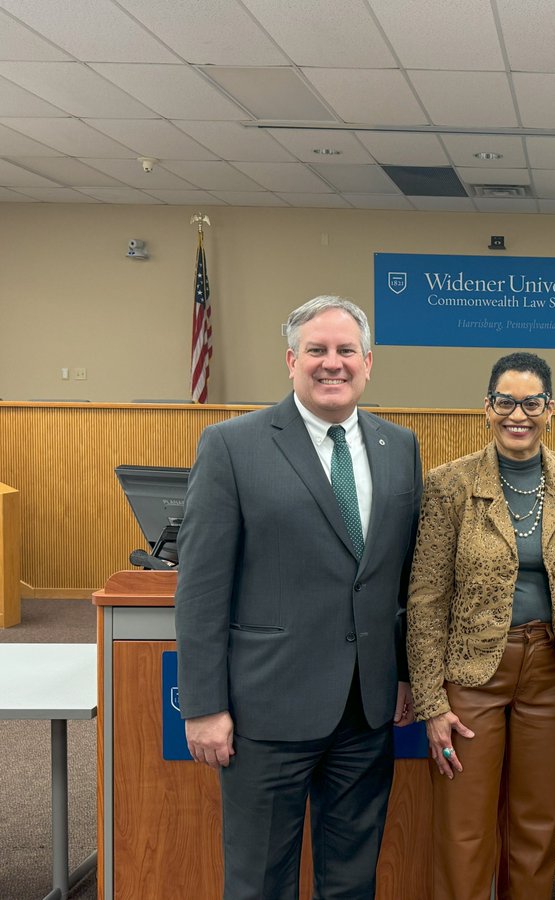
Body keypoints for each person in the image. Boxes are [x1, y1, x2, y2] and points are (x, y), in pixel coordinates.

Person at [174, 296, 422, 900]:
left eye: (345, 351)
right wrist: (204, 705)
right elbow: (202, 588)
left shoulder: (400, 447)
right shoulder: (232, 445)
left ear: (369, 362)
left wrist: (408, 674)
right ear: (291, 360)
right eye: (317, 350)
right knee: (260, 880)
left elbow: (405, 580)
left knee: (351, 879)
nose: (331, 364)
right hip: (266, 709)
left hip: (366, 710)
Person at [406, 351, 555, 900]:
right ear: (487, 408)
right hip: (470, 677)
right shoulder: (450, 483)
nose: (518, 414)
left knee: (536, 826)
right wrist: (430, 700)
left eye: (531, 402)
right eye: (505, 401)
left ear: (550, 409)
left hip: (550, 670)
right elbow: (425, 597)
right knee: (464, 829)